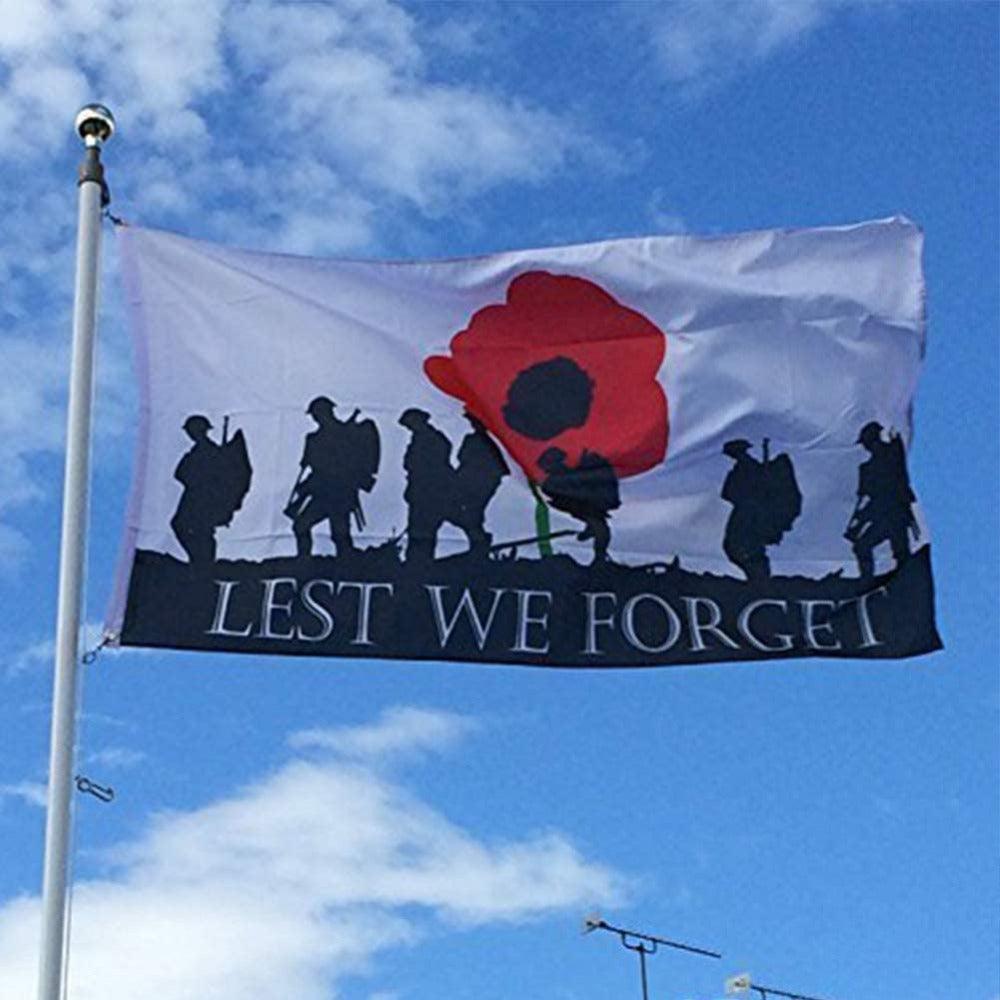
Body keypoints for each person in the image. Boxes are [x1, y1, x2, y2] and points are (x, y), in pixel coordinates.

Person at [286, 396, 377, 559]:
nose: (314, 417)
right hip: (321, 493)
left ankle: (346, 568)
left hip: (340, 493)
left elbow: (350, 462)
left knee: (340, 535)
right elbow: (314, 467)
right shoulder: (314, 438)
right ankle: (304, 562)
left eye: (316, 414)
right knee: (301, 526)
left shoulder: (348, 434)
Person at [170, 414, 252, 566]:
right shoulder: (201, 450)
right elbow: (180, 473)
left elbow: (188, 473)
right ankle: (199, 560)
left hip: (204, 497)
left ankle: (203, 562)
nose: (190, 433)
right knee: (188, 527)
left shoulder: (209, 451)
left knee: (200, 529)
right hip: (195, 496)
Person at [845, 421, 916, 578]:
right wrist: (856, 522)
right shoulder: (868, 468)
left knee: (901, 552)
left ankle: (902, 582)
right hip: (883, 515)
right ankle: (867, 580)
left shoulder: (892, 455)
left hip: (896, 514)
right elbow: (863, 499)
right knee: (863, 547)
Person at [537, 446, 620, 563]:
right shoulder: (552, 481)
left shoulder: (569, 475)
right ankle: (598, 552)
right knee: (600, 527)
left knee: (600, 527)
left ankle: (600, 556)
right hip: (574, 508)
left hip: (585, 507)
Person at [399, 408, 454, 562]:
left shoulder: (434, 439)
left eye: (410, 424)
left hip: (431, 491)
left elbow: (432, 464)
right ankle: (417, 559)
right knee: (417, 528)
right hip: (420, 490)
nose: (409, 428)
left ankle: (420, 560)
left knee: (425, 527)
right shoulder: (421, 439)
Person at [452, 412, 510, 556]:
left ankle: (479, 542)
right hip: (469, 480)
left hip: (484, 482)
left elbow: (504, 465)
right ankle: (479, 541)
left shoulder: (496, 441)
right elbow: (461, 457)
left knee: (473, 512)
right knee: (466, 512)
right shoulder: (471, 439)